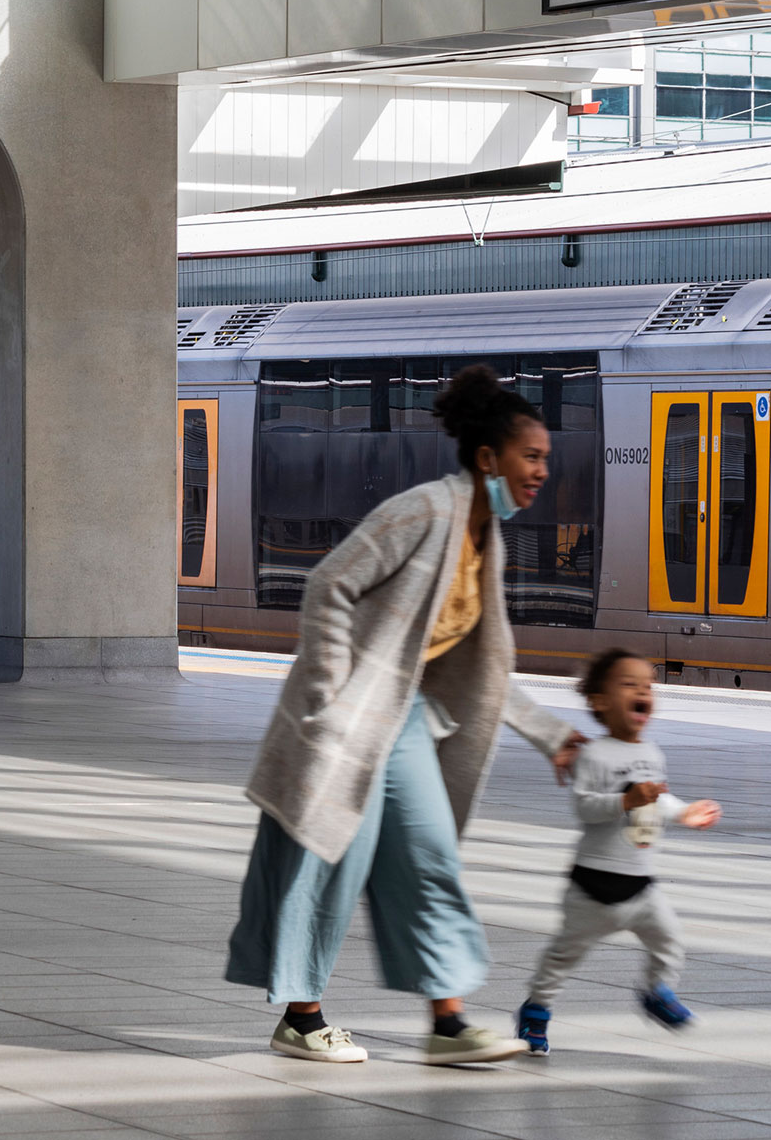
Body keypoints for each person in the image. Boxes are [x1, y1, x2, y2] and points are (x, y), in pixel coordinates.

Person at [225, 366, 583, 1067]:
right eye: (532, 456)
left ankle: (448, 1025)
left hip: (406, 716)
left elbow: (481, 669)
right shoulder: (426, 510)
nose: (543, 470)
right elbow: (330, 581)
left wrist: (553, 735)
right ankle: (302, 1018)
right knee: (326, 858)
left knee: (429, 859)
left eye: (545, 458)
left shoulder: (486, 538)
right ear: (488, 459)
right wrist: (328, 693)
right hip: (352, 716)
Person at [515, 647, 722, 1056]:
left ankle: (654, 993)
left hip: (641, 886)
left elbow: (656, 800)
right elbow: (584, 807)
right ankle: (536, 1010)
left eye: (648, 685)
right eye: (629, 684)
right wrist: (625, 801)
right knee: (562, 958)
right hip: (592, 886)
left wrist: (684, 813)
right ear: (600, 702)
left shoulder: (652, 754)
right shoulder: (594, 754)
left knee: (670, 942)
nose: (642, 691)